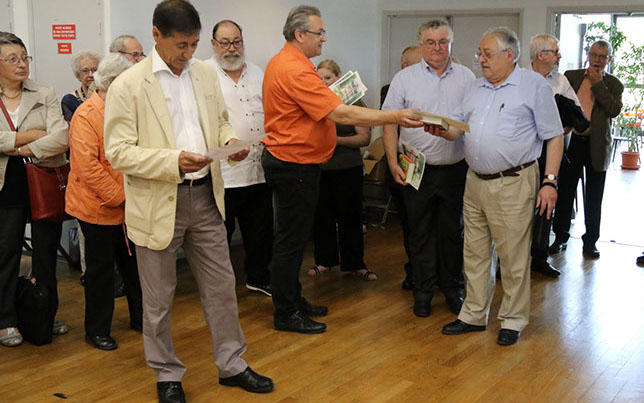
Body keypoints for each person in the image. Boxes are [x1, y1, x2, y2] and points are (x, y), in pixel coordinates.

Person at [104, 1, 273, 401]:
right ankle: (166, 375)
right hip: (158, 201)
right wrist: (173, 161)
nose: (188, 53)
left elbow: (220, 123)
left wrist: (231, 142)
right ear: (156, 35)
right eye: (181, 45)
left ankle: (232, 364)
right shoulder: (128, 85)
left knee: (222, 288)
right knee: (158, 300)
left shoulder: (204, 74)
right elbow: (118, 152)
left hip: (207, 198)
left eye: (194, 44)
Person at [262, 5, 423, 335]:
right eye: (319, 33)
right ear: (300, 35)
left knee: (293, 240)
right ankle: (286, 312)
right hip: (294, 164)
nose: (324, 38)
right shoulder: (295, 69)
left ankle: (293, 300)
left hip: (296, 162)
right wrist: (394, 116)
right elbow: (340, 114)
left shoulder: (289, 63)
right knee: (290, 243)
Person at [432, 27, 564, 346]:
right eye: (479, 53)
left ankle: (513, 320)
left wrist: (550, 181)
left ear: (510, 55)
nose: (481, 59)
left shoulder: (532, 86)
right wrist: (441, 129)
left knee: (513, 257)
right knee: (475, 253)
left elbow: (554, 135)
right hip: (475, 181)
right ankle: (473, 315)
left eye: (487, 54)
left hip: (514, 181)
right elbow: (458, 129)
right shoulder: (475, 88)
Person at [382, 19, 474, 317]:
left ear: (451, 43)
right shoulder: (404, 78)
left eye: (443, 42)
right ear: (421, 44)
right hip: (415, 168)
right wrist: (392, 162)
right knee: (419, 233)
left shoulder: (467, 76)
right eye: (431, 42)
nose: (437, 48)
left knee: (452, 234)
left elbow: (473, 121)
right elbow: (389, 123)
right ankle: (422, 293)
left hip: (454, 168)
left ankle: (453, 289)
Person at [65, 53, 143, 351]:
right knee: (100, 272)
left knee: (136, 267)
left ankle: (141, 318)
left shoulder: (128, 108)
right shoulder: (86, 115)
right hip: (96, 207)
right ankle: (97, 330)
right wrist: (122, 198)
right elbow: (89, 169)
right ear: (113, 83)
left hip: (130, 205)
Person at [0, 31, 69, 347]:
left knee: (45, 254)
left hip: (43, 180)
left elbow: (60, 137)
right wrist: (30, 136)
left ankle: (45, 314)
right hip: (6, 186)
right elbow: (43, 136)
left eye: (24, 57)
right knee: (7, 254)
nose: (21, 64)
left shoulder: (44, 91)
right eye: (12, 59)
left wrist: (16, 147)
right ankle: (6, 320)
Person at [205, 20, 273, 297]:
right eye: (225, 43)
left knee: (261, 230)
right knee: (220, 233)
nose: (232, 48)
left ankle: (258, 278)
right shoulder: (203, 74)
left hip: (259, 168)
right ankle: (219, 287)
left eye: (237, 42)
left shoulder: (257, 72)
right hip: (224, 173)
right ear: (213, 44)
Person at [549, 40, 624, 259]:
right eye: (594, 55)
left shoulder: (614, 84)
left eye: (602, 56)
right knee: (565, 193)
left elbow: (613, 110)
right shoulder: (571, 76)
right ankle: (560, 237)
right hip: (572, 143)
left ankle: (590, 242)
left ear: (609, 59)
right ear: (588, 55)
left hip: (597, 146)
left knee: (594, 197)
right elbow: (560, 103)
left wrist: (598, 84)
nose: (597, 60)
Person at [307, 59, 373, 280]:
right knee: (322, 217)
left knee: (350, 217)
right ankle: (324, 261)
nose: (324, 83)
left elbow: (364, 138)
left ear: (339, 77)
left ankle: (355, 264)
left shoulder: (354, 101)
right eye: (320, 79)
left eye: (328, 78)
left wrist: (336, 141)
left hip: (348, 168)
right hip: (320, 169)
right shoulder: (314, 102)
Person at [527, 34, 583, 278]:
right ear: (541, 55)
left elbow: (577, 115)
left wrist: (558, 132)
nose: (559, 56)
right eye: (555, 51)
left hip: (550, 153)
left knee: (545, 207)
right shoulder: (519, 79)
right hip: (522, 154)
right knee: (519, 207)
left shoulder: (561, 81)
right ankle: (510, 261)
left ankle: (539, 258)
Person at [380, 45, 422, 290]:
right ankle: (414, 271)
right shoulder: (391, 90)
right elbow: (389, 126)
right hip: (402, 164)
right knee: (410, 224)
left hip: (431, 165)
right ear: (405, 66)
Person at [61, 51, 101, 122]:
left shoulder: (107, 96)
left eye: (95, 70)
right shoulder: (69, 100)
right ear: (78, 74)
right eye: (85, 71)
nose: (91, 75)